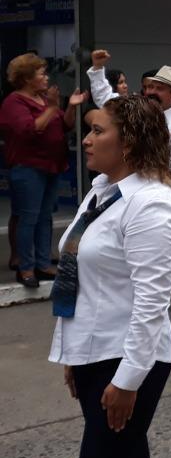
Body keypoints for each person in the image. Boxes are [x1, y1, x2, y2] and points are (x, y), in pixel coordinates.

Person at [49, 95, 171, 458]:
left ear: (128, 143)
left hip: (129, 360)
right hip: (94, 352)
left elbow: (152, 302)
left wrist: (127, 381)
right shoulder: (103, 191)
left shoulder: (153, 205)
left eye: (97, 131)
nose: (86, 140)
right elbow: (81, 278)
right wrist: (72, 354)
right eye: (88, 130)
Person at [1, 54, 85, 287]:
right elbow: (29, 129)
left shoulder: (44, 100)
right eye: (41, 74)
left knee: (45, 217)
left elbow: (65, 125)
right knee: (28, 218)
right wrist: (52, 107)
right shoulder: (14, 102)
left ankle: (43, 263)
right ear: (27, 78)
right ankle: (26, 268)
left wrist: (70, 107)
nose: (47, 78)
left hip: (51, 166)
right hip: (28, 168)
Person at [88, 50, 171, 201]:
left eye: (159, 89)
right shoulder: (137, 110)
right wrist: (98, 69)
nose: (152, 92)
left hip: (166, 183)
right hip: (131, 180)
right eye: (150, 87)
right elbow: (106, 99)